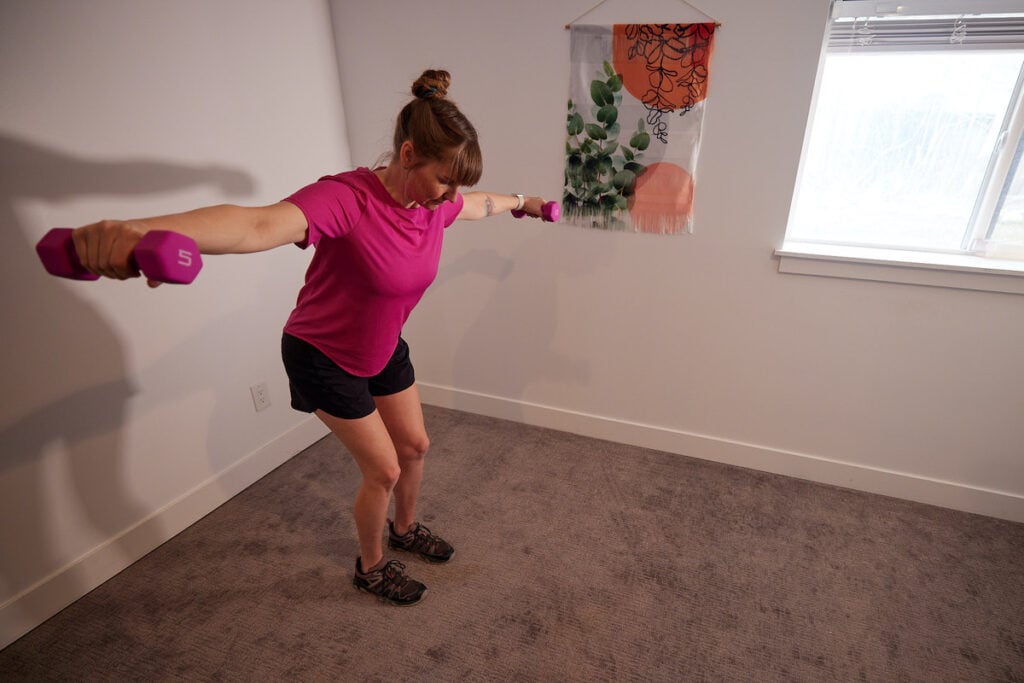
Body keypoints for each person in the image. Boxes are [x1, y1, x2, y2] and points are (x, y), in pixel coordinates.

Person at [69, 69, 553, 606]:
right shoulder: (347, 199)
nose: (451, 196)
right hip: (324, 355)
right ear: (409, 154)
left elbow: (480, 203)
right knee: (384, 469)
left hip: (382, 343)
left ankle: (405, 529)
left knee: (415, 446)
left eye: (456, 185)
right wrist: (141, 232)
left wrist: (523, 200)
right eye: (445, 180)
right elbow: (256, 225)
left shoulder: (431, 207)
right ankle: (370, 568)